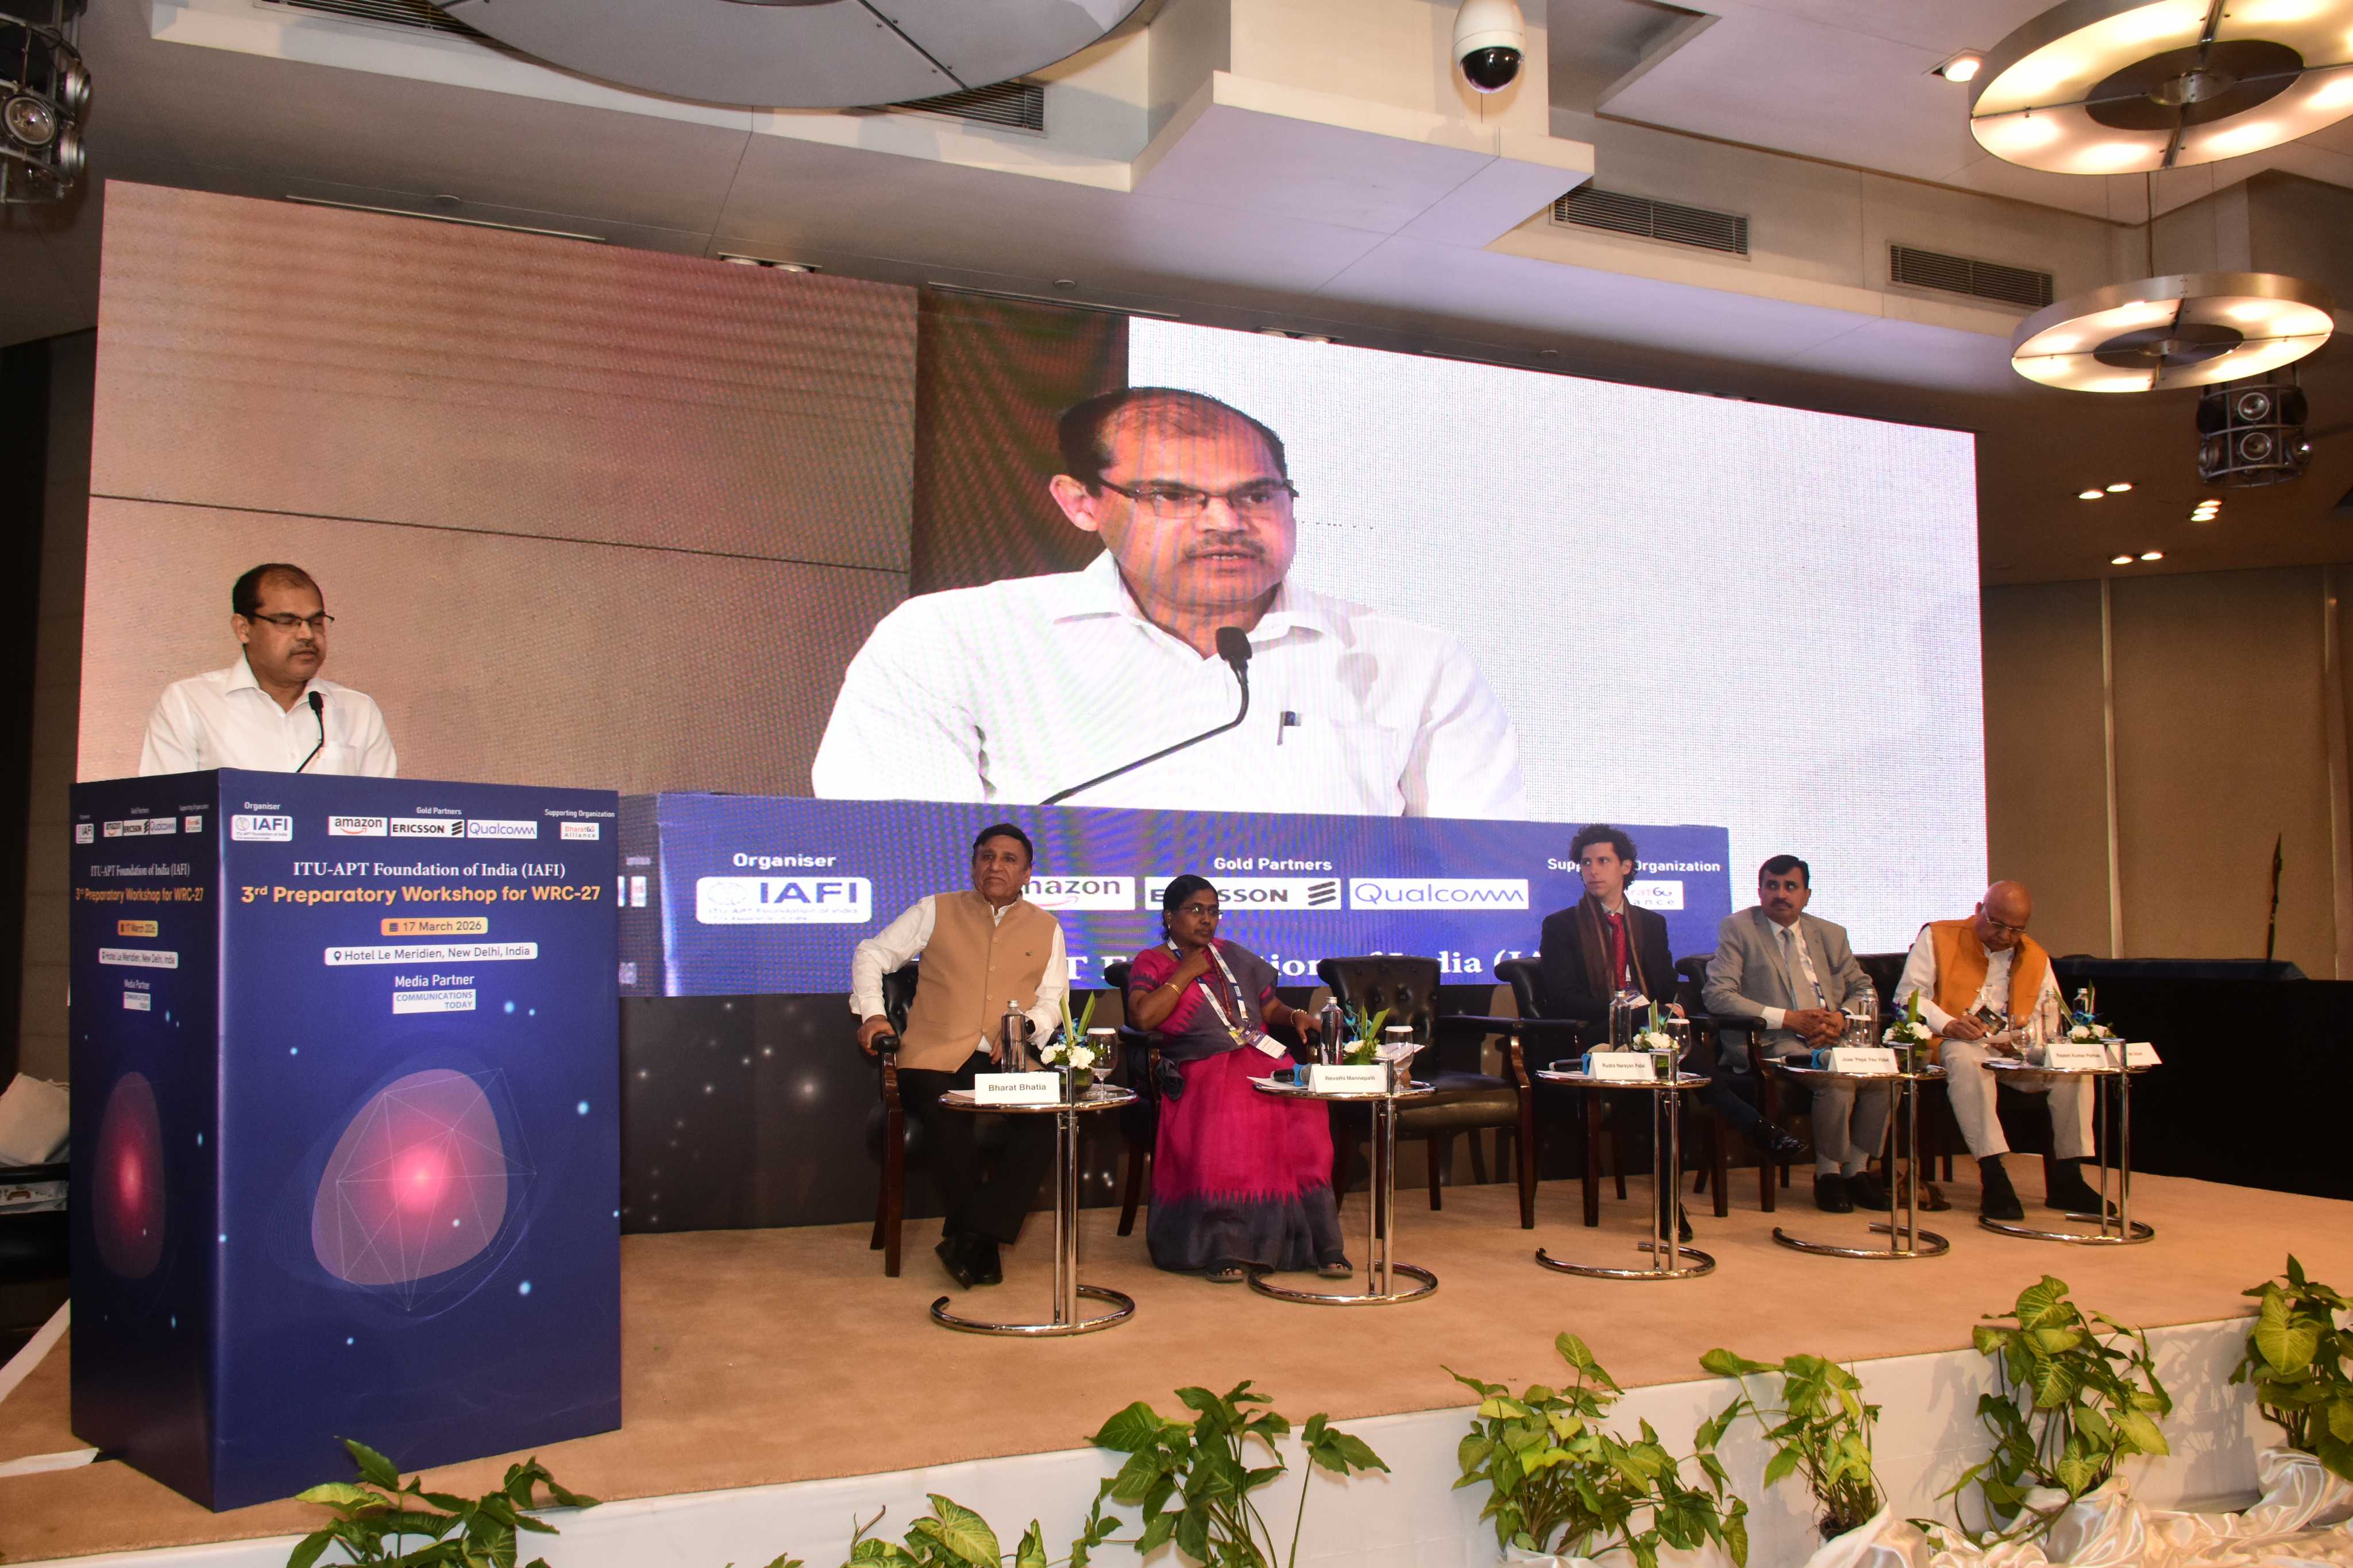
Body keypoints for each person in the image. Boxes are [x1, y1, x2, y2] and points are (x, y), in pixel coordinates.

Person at [810, 387, 1526, 818]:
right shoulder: (952, 638)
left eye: (1257, 495)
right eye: (1173, 496)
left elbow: (1482, 871)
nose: (1226, 522)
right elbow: (898, 855)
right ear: (1081, 503)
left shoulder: (1410, 658)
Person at [850, 824, 1066, 1289]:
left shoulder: (1048, 927)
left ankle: (973, 1235)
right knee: (945, 1110)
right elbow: (871, 954)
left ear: (1027, 873)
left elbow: (1052, 1001)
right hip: (933, 1057)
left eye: (1009, 859)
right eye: (987, 856)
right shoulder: (935, 909)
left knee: (1047, 1119)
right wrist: (874, 1014)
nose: (996, 866)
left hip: (1005, 1061)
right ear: (973, 866)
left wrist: (1027, 1027)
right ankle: (979, 1242)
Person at [1123, 875, 1348, 1283]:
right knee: (1233, 1109)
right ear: (1169, 916)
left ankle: (1320, 1243)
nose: (1206, 920)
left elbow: (1269, 1007)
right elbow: (1142, 1017)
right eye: (1196, 910)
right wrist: (1184, 973)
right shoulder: (1152, 961)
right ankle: (1221, 1244)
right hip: (1197, 1061)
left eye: (1213, 911)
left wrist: (1296, 1016)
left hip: (1260, 1056)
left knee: (1304, 1103)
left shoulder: (1234, 956)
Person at [1895, 880, 2104, 1222]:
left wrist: (2026, 1039)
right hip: (1956, 1042)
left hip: (2015, 1051)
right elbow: (1908, 998)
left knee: (2073, 1068)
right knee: (1965, 1057)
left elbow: (2050, 1016)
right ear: (1979, 910)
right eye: (1998, 925)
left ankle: (2069, 1176)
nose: (2006, 936)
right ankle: (1994, 1175)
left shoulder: (2035, 955)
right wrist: (1949, 1024)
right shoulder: (1939, 936)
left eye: (2016, 930)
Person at [1702, 855, 1890, 1213]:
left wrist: (1841, 1018)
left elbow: (1864, 989)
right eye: (1772, 886)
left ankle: (1857, 1171)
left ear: (1806, 895)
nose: (1781, 894)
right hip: (1773, 1042)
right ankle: (1828, 1175)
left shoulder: (1831, 934)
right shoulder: (1739, 928)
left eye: (1791, 887)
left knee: (1881, 1081)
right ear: (1760, 891)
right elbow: (1719, 996)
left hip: (1834, 1038)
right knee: (1837, 1079)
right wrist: (1789, 1019)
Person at [1534, 822, 1691, 1239]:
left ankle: (1670, 1198)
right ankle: (1746, 1124)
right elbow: (1562, 998)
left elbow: (1665, 986)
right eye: (1586, 862)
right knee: (1662, 1068)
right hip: (1595, 1036)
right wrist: (1625, 1011)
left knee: (1673, 1074)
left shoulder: (1651, 924)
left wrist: (1667, 1007)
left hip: (1647, 1036)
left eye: (1603, 861)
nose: (1593, 870)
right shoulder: (1562, 926)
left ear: (1626, 867)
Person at [138, 563, 397, 777]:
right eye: (286, 622)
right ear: (244, 629)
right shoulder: (189, 704)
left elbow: (382, 812)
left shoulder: (359, 711)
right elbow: (166, 810)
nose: (307, 634)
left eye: (316, 622)